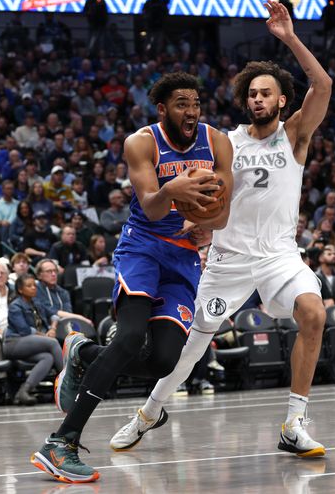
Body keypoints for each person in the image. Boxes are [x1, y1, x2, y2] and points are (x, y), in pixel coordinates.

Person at [108, 1, 332, 461]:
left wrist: (288, 37)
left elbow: (323, 84)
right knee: (189, 350)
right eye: (251, 93)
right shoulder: (222, 141)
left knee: (313, 312)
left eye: (266, 93)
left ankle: (294, 422)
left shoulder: (295, 136)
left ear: (282, 99)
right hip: (227, 257)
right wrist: (199, 219)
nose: (257, 99)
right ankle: (149, 412)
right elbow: (203, 191)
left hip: (278, 255)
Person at [31, 71, 234, 482]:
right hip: (142, 247)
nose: (191, 111)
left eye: (195, 103)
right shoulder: (141, 142)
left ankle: (82, 354)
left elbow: (224, 211)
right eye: (181, 103)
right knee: (126, 339)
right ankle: (61, 442)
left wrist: (207, 223)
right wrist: (174, 189)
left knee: (164, 360)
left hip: (183, 258)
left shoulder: (217, 142)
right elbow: (153, 208)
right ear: (162, 109)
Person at [5, 274, 64, 406]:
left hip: (33, 344)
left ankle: (24, 391)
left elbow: (54, 315)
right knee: (53, 343)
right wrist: (46, 336)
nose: (33, 288)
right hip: (14, 343)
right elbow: (24, 331)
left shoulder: (36, 302)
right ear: (20, 290)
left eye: (34, 285)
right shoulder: (15, 306)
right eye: (29, 286)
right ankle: (69, 382)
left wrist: (53, 329)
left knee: (47, 358)